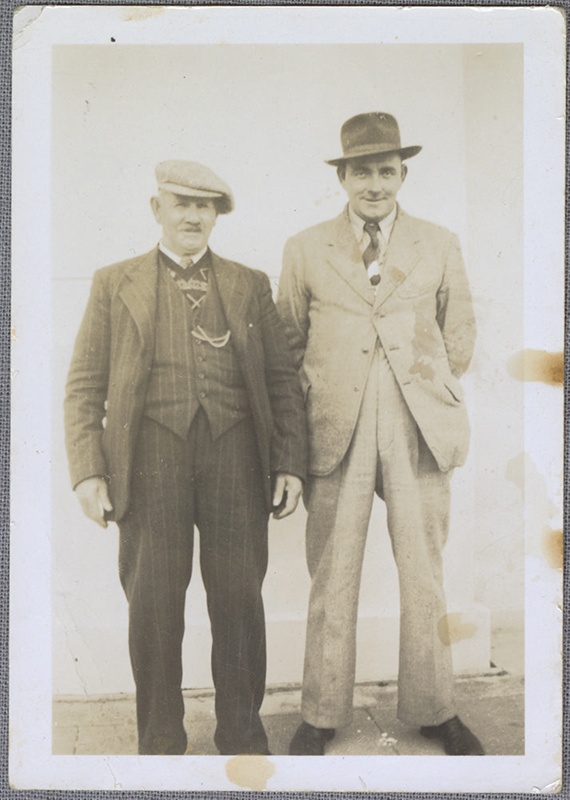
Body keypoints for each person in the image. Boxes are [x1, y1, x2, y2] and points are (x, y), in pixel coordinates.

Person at [64, 160, 307, 756]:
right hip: (148, 462)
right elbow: (83, 385)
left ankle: (243, 735)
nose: (194, 216)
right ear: (158, 210)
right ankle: (160, 739)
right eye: (182, 204)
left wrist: (290, 463)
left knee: (239, 603)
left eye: (206, 207)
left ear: (216, 216)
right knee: (153, 603)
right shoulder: (113, 281)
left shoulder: (250, 284)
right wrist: (89, 471)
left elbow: (281, 381)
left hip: (236, 461)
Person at [277, 112, 483, 756]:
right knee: (332, 572)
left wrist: (424, 388)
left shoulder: (439, 240)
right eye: (361, 170)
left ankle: (434, 707)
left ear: (402, 174)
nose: (374, 182)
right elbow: (288, 340)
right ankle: (320, 713)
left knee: (424, 571)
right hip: (334, 424)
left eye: (386, 170)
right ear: (342, 176)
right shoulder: (305, 247)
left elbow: (460, 333)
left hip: (417, 421)